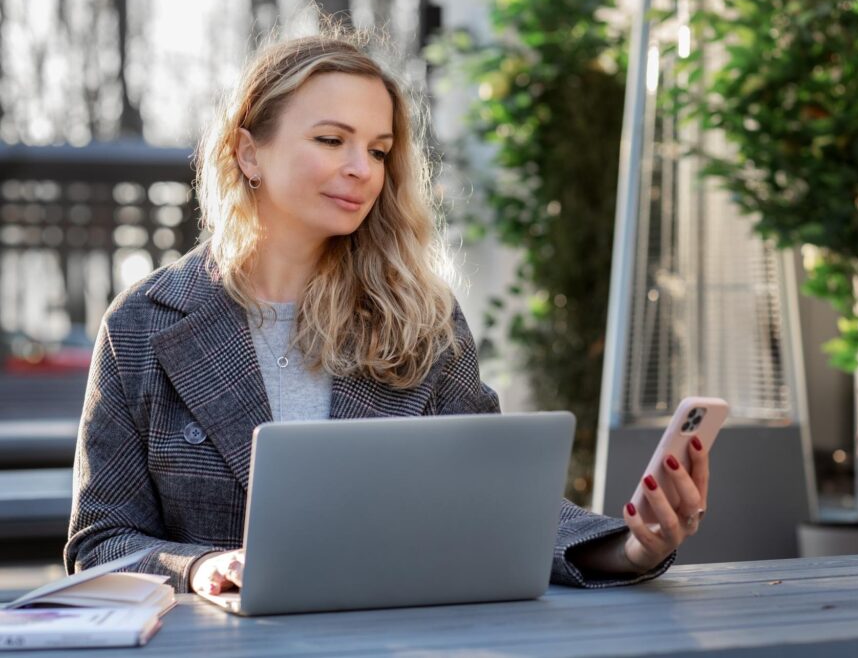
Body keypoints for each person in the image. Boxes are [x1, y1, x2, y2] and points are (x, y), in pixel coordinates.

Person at [65, 31, 710, 595]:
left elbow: (492, 502)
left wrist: (628, 548)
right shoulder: (144, 325)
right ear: (247, 152)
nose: (360, 170)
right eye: (331, 139)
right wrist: (198, 568)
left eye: (377, 149)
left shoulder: (418, 315)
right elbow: (100, 543)